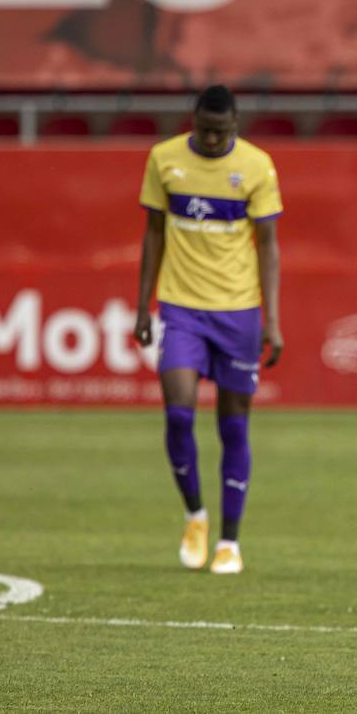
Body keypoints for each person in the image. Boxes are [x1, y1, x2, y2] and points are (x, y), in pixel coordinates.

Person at [134, 85, 284, 574]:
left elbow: (268, 247)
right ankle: (195, 514)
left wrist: (272, 321)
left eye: (222, 131)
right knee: (178, 414)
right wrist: (143, 306)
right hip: (181, 309)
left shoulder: (258, 166)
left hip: (239, 312)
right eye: (205, 130)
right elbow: (153, 233)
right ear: (193, 122)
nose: (214, 140)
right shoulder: (164, 159)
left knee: (232, 425)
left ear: (236, 125)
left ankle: (229, 541)